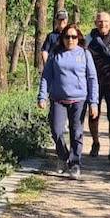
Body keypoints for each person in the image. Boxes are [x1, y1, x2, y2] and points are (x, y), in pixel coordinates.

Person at [38, 24, 99, 179]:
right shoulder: (55, 54)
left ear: (78, 38)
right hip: (58, 98)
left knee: (76, 131)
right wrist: (42, 96)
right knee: (57, 130)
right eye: (67, 37)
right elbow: (46, 76)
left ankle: (75, 163)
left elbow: (92, 78)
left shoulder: (84, 54)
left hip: (79, 99)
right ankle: (62, 156)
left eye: (73, 37)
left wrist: (94, 102)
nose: (70, 40)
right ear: (62, 38)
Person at [86, 11, 110, 164]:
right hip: (94, 83)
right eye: (100, 21)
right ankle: (95, 142)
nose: (103, 24)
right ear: (96, 22)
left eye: (106, 21)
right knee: (93, 114)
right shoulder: (89, 39)